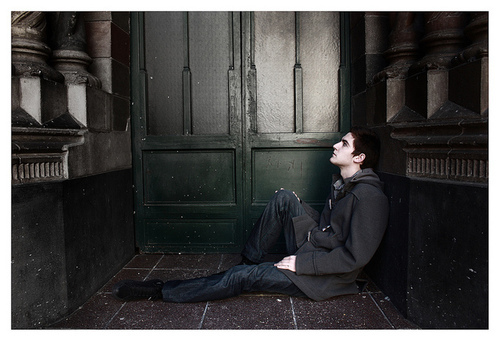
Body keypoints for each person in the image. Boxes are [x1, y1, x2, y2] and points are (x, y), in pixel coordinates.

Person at [112, 126, 389, 303]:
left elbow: (355, 258)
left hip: (324, 277)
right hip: (314, 247)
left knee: (242, 279)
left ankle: (162, 291)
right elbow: (332, 229)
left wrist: (304, 265)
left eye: (343, 144)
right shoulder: (343, 183)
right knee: (284, 197)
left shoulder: (370, 198)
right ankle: (248, 261)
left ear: (359, 158)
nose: (335, 146)